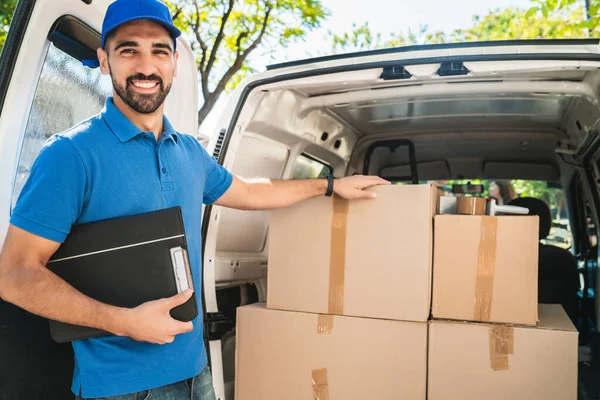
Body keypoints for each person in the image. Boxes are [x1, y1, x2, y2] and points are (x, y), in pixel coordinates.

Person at [0, 1, 390, 399]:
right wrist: (124, 322)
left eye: (159, 51)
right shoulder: (70, 154)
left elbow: (251, 191)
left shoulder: (188, 152)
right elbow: (13, 275)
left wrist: (329, 185)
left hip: (196, 374)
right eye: (128, 49)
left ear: (174, 64)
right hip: (120, 389)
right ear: (104, 60)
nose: (146, 67)